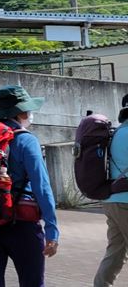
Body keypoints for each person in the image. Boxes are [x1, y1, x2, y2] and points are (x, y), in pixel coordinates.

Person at [0, 85, 59, 287]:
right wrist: (52, 230)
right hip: (20, 223)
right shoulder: (25, 140)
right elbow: (41, 186)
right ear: (20, 112)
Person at [93, 94, 128, 287]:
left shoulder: (117, 132)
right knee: (116, 251)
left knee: (116, 251)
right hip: (126, 202)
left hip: (113, 199)